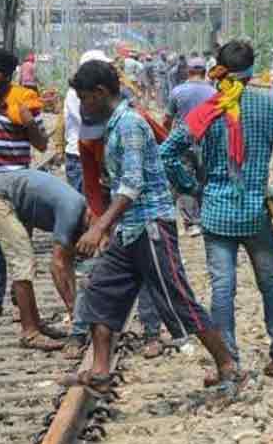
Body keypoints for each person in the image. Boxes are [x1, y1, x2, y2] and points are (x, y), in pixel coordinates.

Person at [61, 60, 240, 394]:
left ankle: (227, 364)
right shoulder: (114, 125)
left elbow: (131, 184)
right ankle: (99, 370)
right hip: (130, 229)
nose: (83, 106)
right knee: (100, 291)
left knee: (178, 297)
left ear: (101, 93)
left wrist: (99, 226)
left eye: (85, 99)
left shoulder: (128, 125)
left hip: (150, 226)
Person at [161, 42, 273, 379]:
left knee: (222, 288)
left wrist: (191, 187)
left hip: (215, 212)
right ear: (252, 71)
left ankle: (229, 360)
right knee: (269, 282)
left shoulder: (207, 111)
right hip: (257, 210)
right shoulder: (269, 105)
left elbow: (168, 152)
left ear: (219, 70)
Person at [0, 47, 47, 321]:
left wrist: (28, 124)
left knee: (18, 247)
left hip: (16, 187)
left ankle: (20, 301)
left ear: (7, 75)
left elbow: (42, 144)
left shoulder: (23, 102)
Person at [0, 169, 84, 351]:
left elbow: (67, 262)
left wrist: (76, 309)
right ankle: (30, 333)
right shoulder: (72, 211)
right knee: (23, 262)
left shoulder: (78, 213)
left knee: (27, 260)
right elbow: (57, 266)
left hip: (13, 197)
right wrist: (73, 308)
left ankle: (36, 323)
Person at [163, 56, 217, 236]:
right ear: (204, 72)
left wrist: (166, 137)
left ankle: (192, 222)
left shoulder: (177, 91)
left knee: (184, 181)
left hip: (182, 143)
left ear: (188, 71)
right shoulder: (213, 92)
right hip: (207, 141)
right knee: (204, 177)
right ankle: (207, 217)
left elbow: (167, 119)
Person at [64, 50, 113, 193]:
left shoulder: (93, 93)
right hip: (80, 157)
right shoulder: (77, 94)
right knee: (87, 205)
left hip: (92, 154)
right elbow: (94, 123)